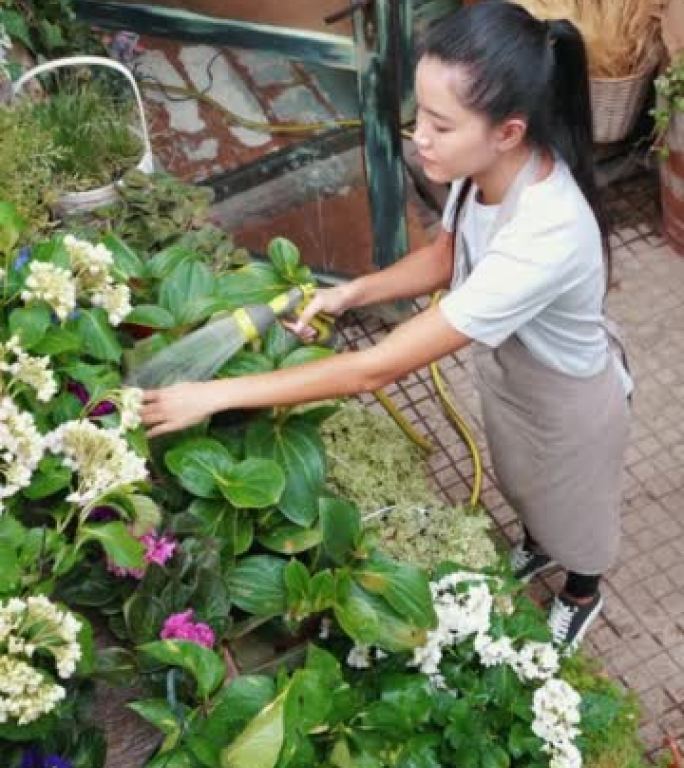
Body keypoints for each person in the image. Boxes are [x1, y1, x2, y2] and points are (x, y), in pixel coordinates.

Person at [141, 0, 632, 651]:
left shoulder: (546, 232)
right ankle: (539, 544)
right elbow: (447, 253)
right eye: (419, 114)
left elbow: (377, 368)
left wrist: (215, 393)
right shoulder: (480, 168)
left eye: (440, 124)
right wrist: (354, 294)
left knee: (579, 510)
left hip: (568, 398)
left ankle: (581, 591)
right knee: (522, 478)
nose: (419, 137)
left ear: (507, 130)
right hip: (511, 373)